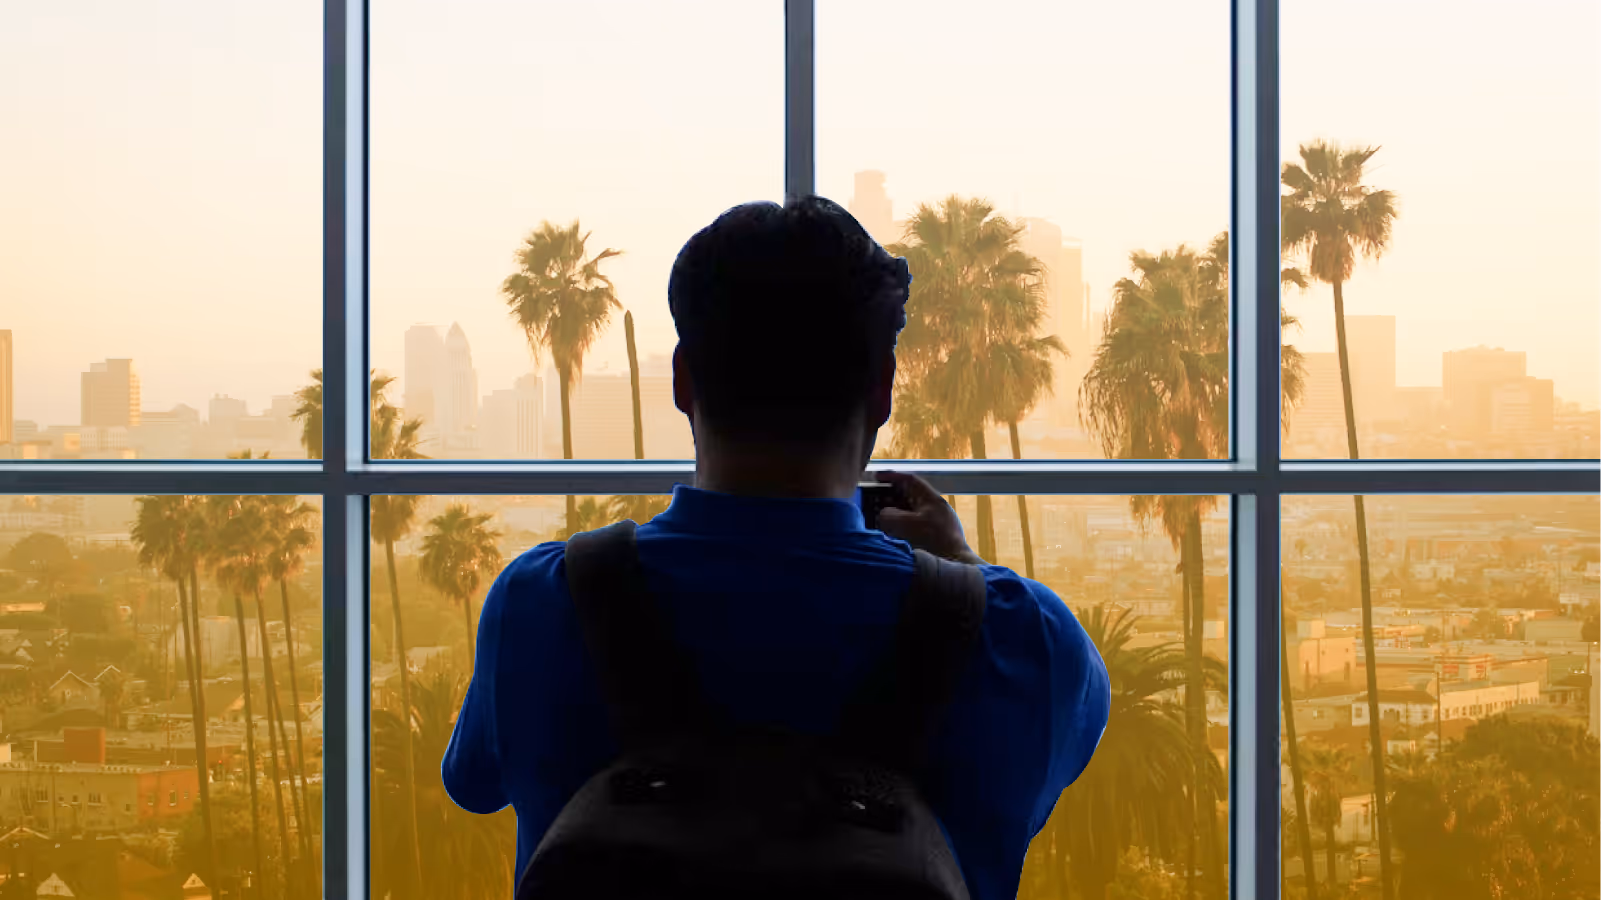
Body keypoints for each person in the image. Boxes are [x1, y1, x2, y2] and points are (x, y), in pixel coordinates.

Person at [443, 196, 1109, 900]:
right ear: (881, 393)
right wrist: (963, 571)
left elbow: (474, 785)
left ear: (682, 381)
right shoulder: (1019, 636)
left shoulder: (539, 603)